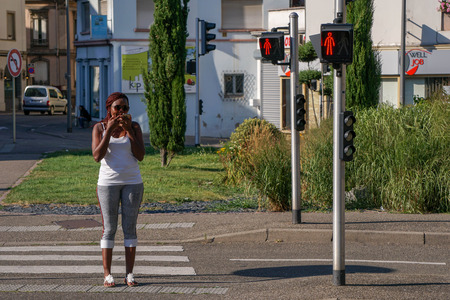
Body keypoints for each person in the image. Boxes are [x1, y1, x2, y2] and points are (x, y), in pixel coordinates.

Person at [91, 92, 146, 287]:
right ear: (109, 109)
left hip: (133, 182)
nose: (122, 112)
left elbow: (140, 155)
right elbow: (97, 156)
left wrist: (129, 131)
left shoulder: (135, 127)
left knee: (129, 228)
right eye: (118, 108)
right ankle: (107, 274)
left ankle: (129, 274)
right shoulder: (99, 127)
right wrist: (109, 131)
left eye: (125, 108)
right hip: (107, 184)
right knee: (110, 229)